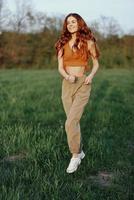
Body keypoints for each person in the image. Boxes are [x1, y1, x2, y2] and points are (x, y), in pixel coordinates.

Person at [55, 13, 100, 173]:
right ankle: (80, 151)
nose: (70, 25)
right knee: (73, 121)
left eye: (73, 22)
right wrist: (67, 76)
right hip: (67, 84)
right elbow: (60, 67)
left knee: (70, 122)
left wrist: (91, 77)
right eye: (68, 23)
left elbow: (96, 64)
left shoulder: (88, 42)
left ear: (79, 23)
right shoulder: (62, 43)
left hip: (83, 84)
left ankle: (75, 156)